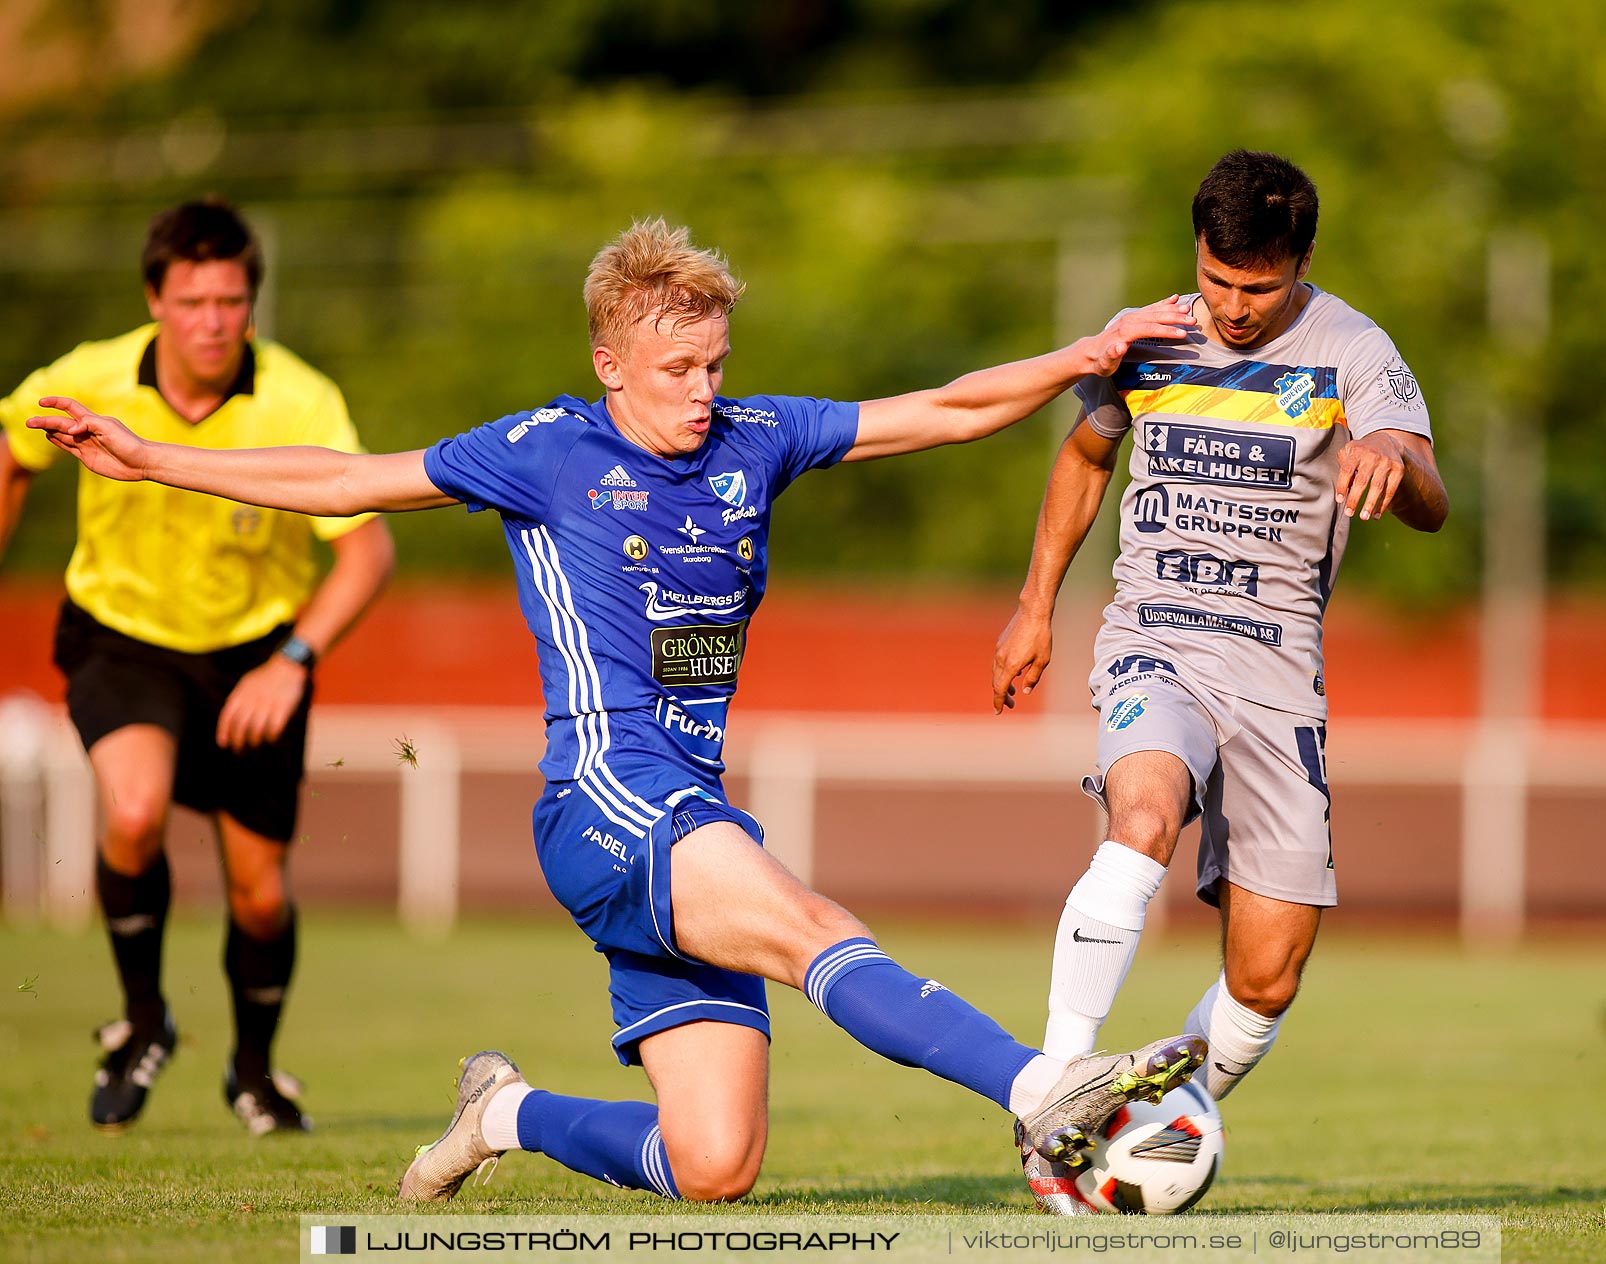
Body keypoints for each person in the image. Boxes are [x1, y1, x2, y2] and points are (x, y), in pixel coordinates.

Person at [30, 217, 1206, 1206]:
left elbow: (946, 409)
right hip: (607, 798)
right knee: (806, 923)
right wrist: (149, 460)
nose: (703, 392)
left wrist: (1087, 352)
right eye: (675, 371)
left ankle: (506, 1112)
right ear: (610, 364)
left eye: (715, 365)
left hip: (685, 810)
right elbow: (346, 479)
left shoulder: (759, 437)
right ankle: (1043, 1088)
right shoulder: (543, 451)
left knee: (713, 1163)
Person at [991, 150, 1449, 1214]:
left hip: (1280, 671)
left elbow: (1428, 491)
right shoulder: (1149, 336)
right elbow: (1086, 457)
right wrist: (1033, 603)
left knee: (1268, 974)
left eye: (1258, 288)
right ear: (1195, 252)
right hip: (1158, 637)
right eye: (1217, 281)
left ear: (1301, 264)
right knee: (1143, 816)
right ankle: (1056, 1091)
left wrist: (1391, 459)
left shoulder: (1355, 350)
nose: (1234, 309)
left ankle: (1139, 1113)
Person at [0, 198, 395, 1134]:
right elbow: (11, 452)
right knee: (131, 812)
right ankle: (142, 1022)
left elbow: (368, 552)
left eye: (229, 301)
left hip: (255, 653)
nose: (212, 320)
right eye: (192, 300)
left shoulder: (299, 398)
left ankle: (254, 1073)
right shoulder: (89, 379)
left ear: (251, 305)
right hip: (121, 635)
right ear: (155, 300)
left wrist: (293, 659)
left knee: (259, 892)